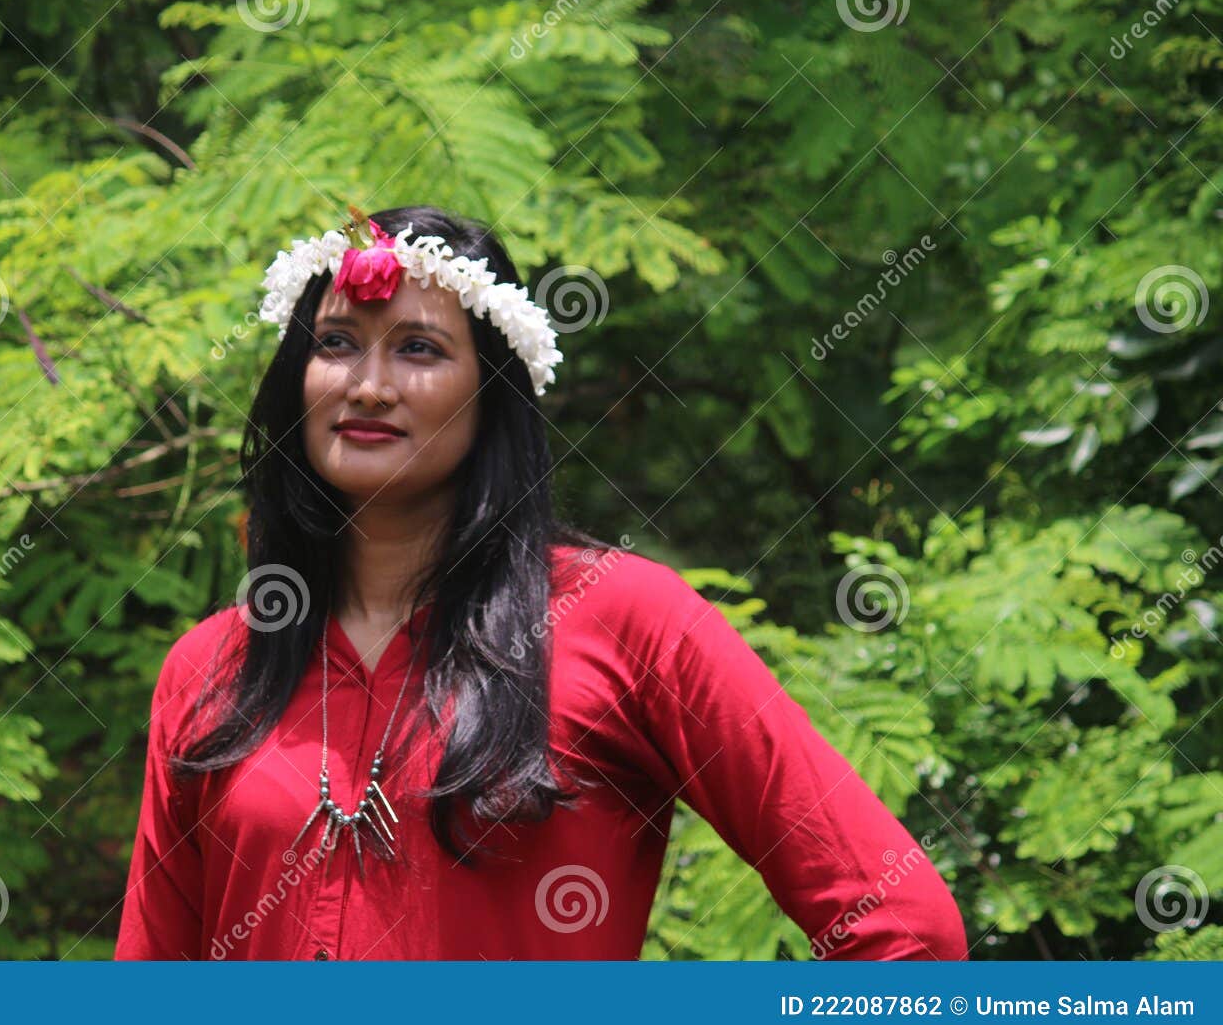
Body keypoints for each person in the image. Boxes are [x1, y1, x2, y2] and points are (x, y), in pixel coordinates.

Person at [113, 204, 967, 961]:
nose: (368, 386)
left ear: (492, 392)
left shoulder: (624, 621)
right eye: (335, 344)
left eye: (419, 348)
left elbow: (904, 928)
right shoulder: (213, 667)